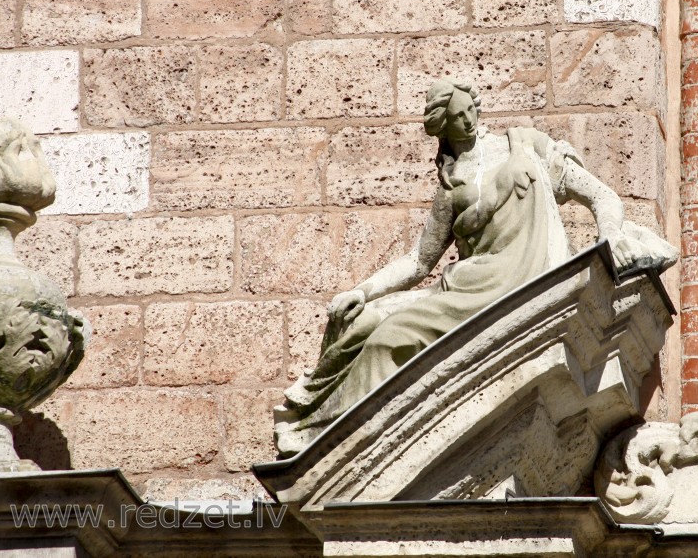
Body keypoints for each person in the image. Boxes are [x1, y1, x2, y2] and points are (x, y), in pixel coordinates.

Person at [274, 78, 677, 456]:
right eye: (456, 119)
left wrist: (612, 237)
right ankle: (330, 436)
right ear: (443, 129)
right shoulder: (450, 190)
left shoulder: (525, 145)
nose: (467, 121)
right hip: (470, 288)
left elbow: (601, 196)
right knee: (369, 328)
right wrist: (362, 291)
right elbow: (418, 261)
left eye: (469, 111)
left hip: (530, 285)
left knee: (386, 332)